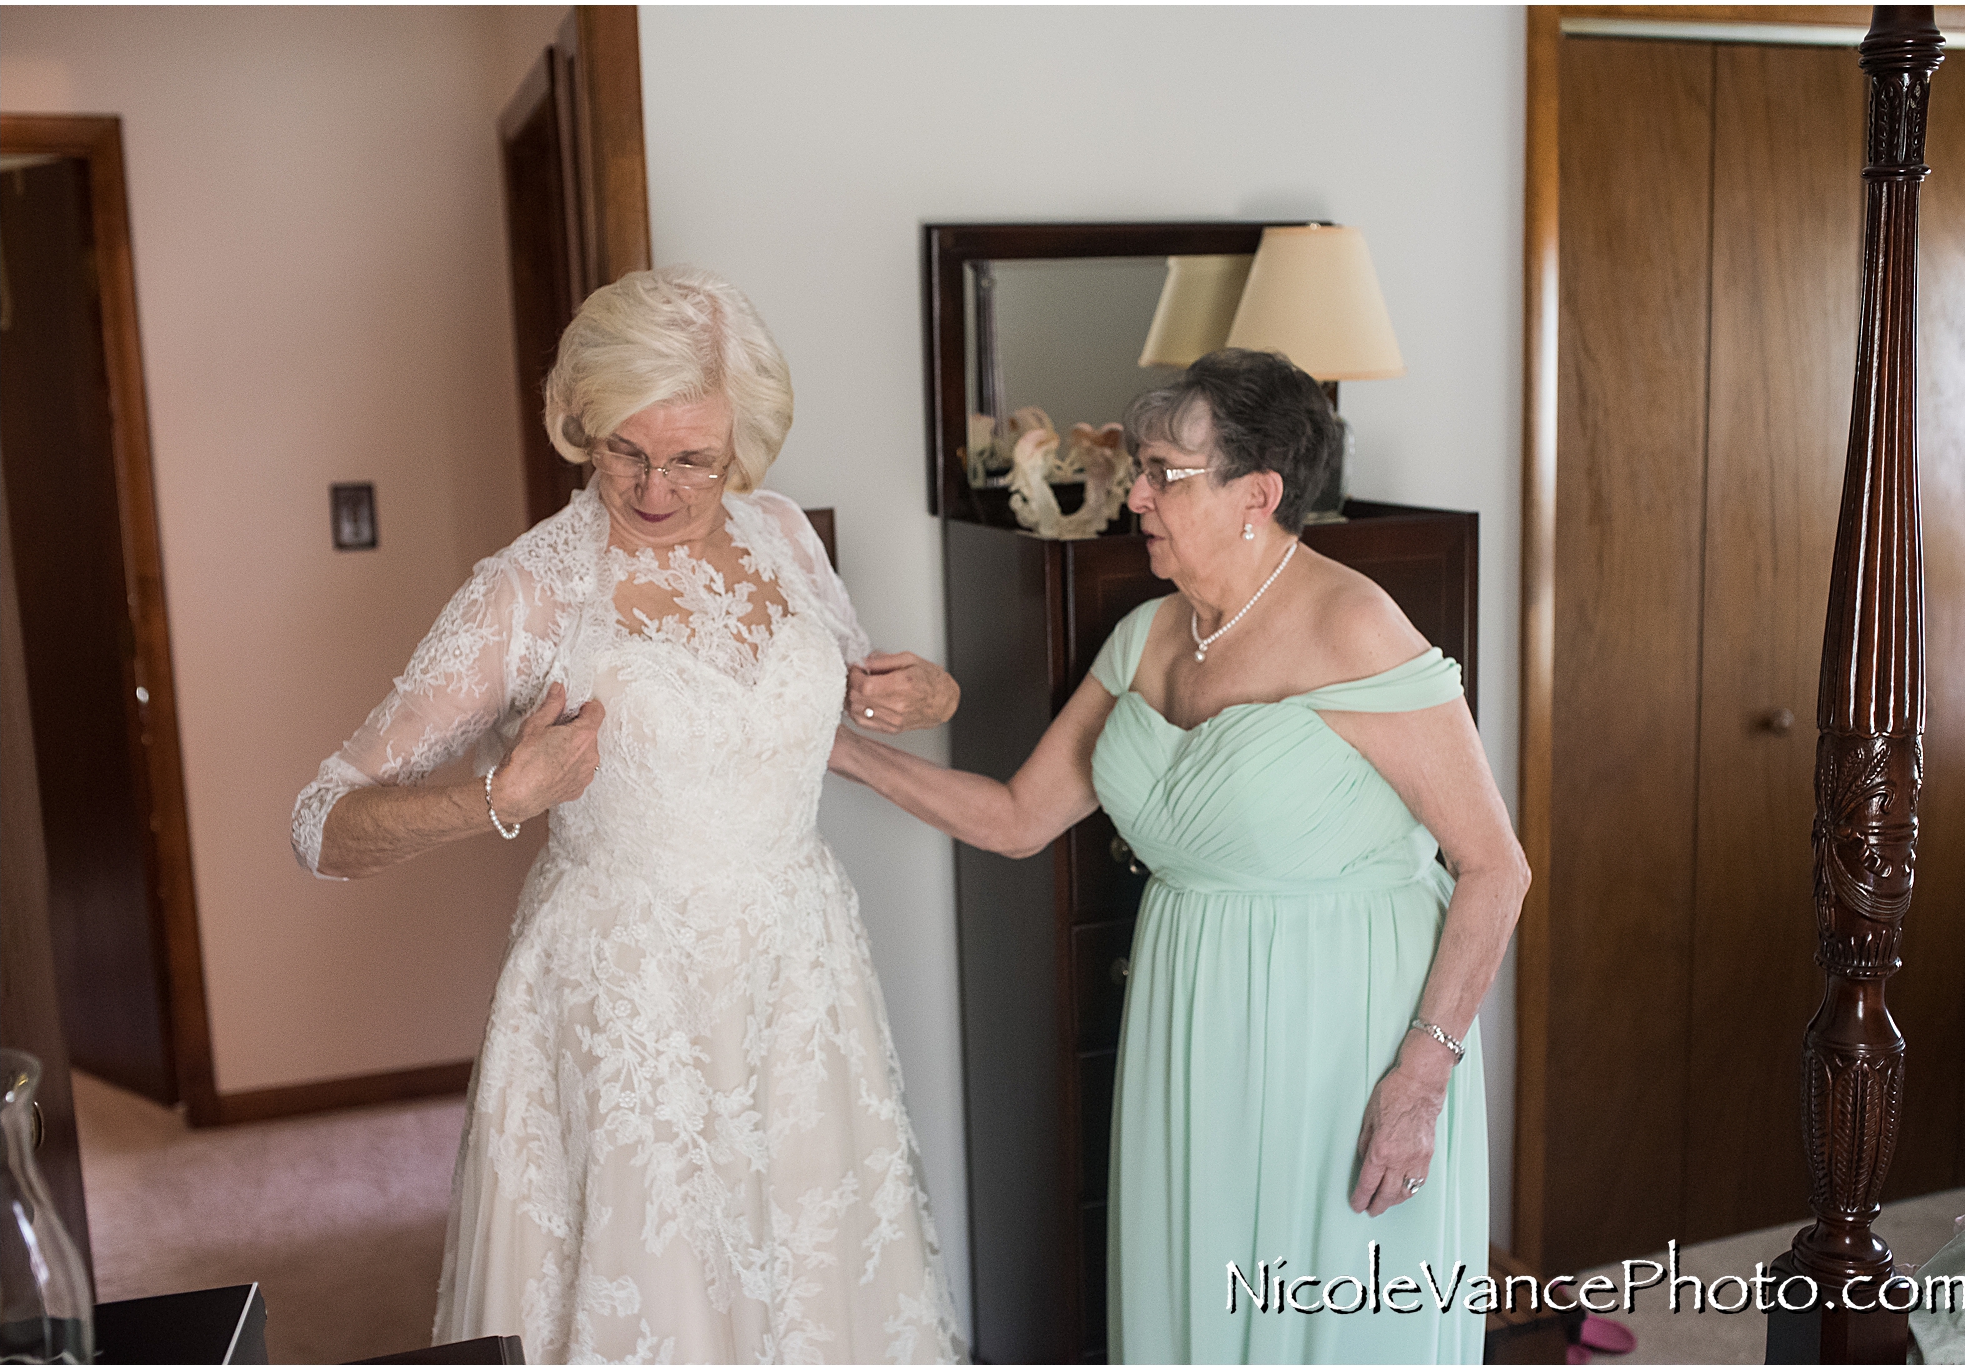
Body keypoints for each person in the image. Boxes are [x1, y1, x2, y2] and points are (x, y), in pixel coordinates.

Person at [290, 266, 966, 1364]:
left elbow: (844, 688)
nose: (655, 487)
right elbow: (320, 821)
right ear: (583, 428)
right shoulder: (529, 591)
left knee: (815, 1295)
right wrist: (498, 797)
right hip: (624, 1002)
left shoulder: (785, 537)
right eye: (623, 449)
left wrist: (926, 694)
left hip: (800, 981)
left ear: (742, 444)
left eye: (693, 457)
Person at [830, 349, 1527, 1364]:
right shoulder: (1148, 635)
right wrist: (834, 748)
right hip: (1190, 1012)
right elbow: (1018, 816)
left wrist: (1419, 1078)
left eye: (1163, 472)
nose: (1137, 496)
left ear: (1258, 493)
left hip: (1342, 1021)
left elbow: (1493, 865)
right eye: (1140, 469)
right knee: (1195, 1287)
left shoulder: (1354, 625)